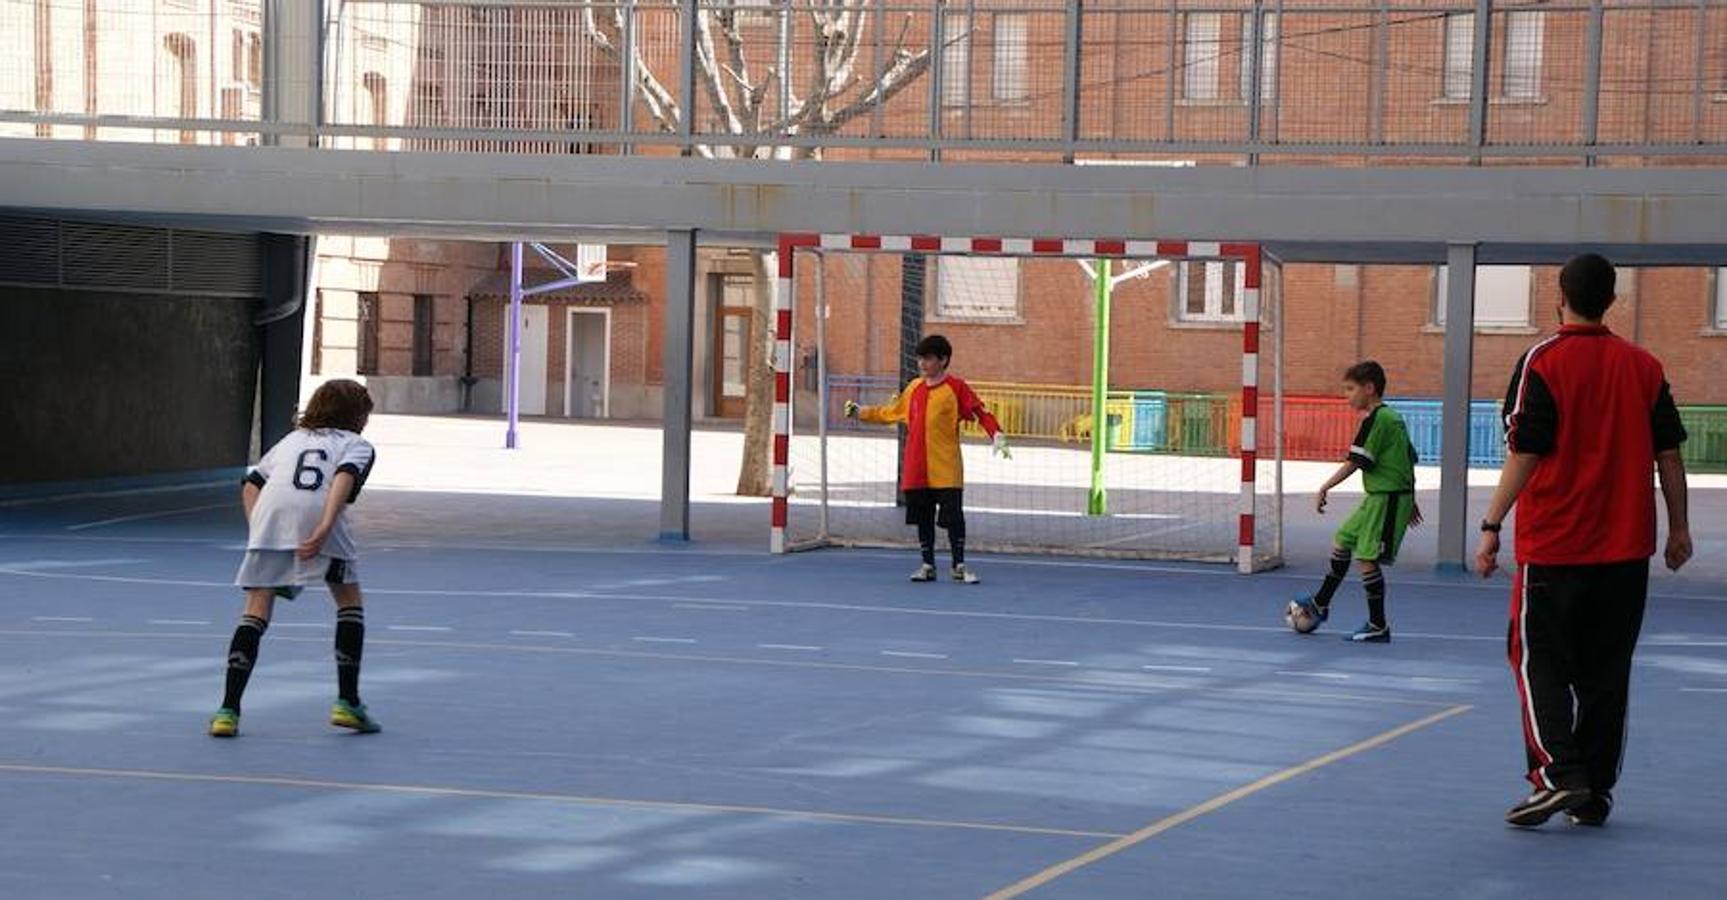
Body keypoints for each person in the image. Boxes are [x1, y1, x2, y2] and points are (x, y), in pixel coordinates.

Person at [1476, 253, 1691, 828]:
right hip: (1625, 551)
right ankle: (1594, 791)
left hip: (1557, 546)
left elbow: (1527, 449)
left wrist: (1492, 524)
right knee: (1606, 671)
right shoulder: (1644, 366)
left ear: (1558, 295)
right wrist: (1680, 527)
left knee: (1534, 659)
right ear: (1612, 300)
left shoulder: (1542, 362)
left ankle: (1556, 775)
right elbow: (1668, 453)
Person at [209, 379, 381, 738]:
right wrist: (324, 526)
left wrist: (258, 527)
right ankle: (348, 702)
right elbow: (343, 478)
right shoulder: (357, 445)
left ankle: (228, 711)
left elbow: (252, 483)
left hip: (271, 518)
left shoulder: (290, 440)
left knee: (256, 608)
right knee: (348, 598)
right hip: (318, 515)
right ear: (356, 415)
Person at [844, 334, 1010, 583]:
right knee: (923, 517)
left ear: (943, 360)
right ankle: (927, 564)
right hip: (916, 466)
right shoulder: (913, 388)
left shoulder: (956, 388)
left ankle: (959, 565)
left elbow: (979, 411)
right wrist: (862, 412)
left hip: (946, 466)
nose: (922, 364)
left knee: (953, 516)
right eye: (920, 358)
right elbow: (892, 412)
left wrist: (996, 433)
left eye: (928, 359)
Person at [1289, 361, 1422, 642]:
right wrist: (1413, 496)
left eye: (1350, 389)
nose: (1346, 395)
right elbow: (1407, 457)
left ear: (1369, 388)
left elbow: (1355, 462)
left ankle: (1378, 626)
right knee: (1342, 540)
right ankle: (1321, 602)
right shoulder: (1393, 417)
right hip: (1380, 496)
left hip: (1387, 499)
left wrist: (1325, 487)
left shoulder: (1378, 419)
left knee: (1366, 558)